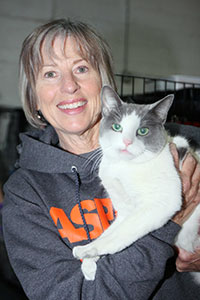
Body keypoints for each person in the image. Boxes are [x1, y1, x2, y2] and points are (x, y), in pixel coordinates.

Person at [2, 18, 200, 300]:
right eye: (50, 74)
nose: (69, 86)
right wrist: (166, 228)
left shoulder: (178, 145)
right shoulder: (25, 194)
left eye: (81, 69)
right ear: (33, 97)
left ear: (105, 85)